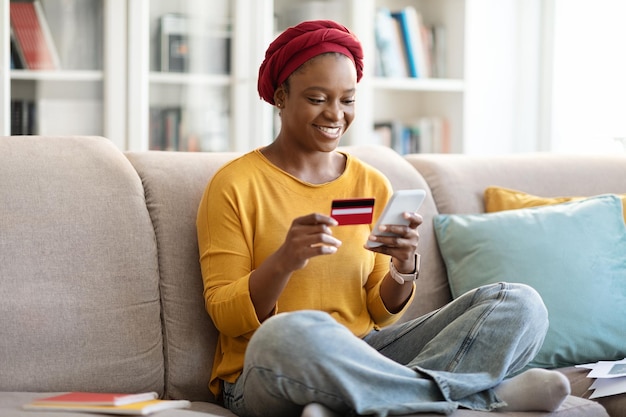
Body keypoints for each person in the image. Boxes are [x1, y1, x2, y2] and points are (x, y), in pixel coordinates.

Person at [196, 20, 570, 417]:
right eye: (318, 98)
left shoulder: (369, 182)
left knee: (520, 304)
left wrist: (402, 267)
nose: (335, 114)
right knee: (289, 332)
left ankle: (360, 402)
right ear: (281, 96)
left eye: (347, 100)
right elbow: (225, 313)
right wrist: (283, 261)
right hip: (264, 368)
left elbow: (378, 311)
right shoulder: (234, 185)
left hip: (365, 353)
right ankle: (488, 398)